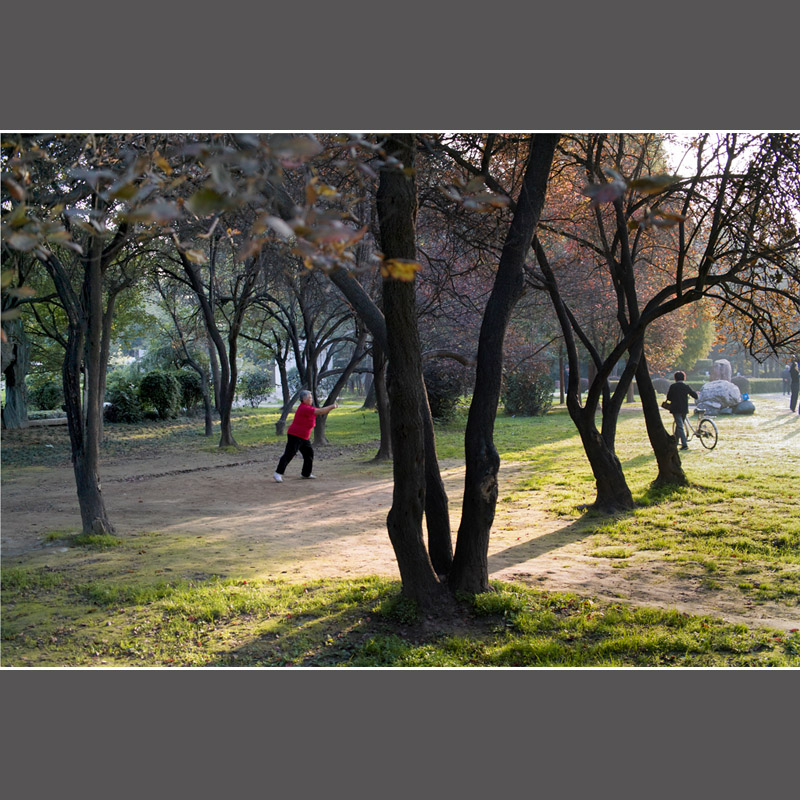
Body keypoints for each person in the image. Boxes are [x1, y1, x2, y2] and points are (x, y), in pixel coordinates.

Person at [273, 391, 338, 482]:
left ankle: (306, 473)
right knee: (290, 454)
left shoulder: (308, 407)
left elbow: (318, 412)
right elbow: (320, 411)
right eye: (309, 398)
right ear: (304, 399)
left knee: (309, 453)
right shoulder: (304, 408)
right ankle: (278, 473)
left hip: (304, 437)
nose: (311, 399)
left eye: (311, 397)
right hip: (295, 435)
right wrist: (332, 406)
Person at [665, 371, 698, 450]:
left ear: (675, 378)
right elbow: (695, 396)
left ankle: (684, 444)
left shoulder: (673, 386)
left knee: (679, 426)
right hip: (684, 409)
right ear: (683, 378)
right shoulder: (686, 386)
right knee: (679, 426)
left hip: (675, 409)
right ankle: (675, 443)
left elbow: (669, 397)